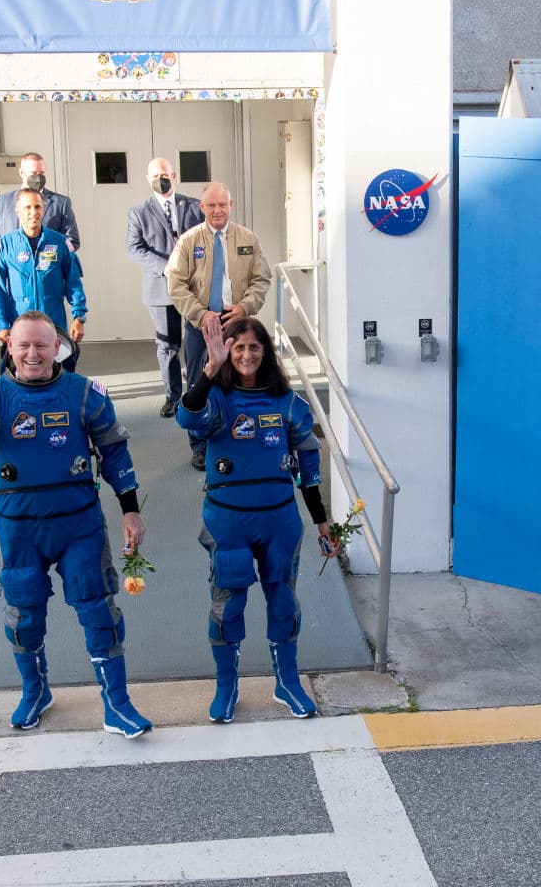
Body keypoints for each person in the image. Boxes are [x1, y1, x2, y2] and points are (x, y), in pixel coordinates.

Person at [0, 311, 152, 739]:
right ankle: (35, 690)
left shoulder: (84, 394)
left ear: (56, 348)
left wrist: (130, 508)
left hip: (79, 525)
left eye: (41, 345)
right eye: (23, 345)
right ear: (10, 348)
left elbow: (115, 451)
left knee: (98, 609)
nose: (32, 354)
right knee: (23, 615)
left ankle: (117, 703)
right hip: (19, 530)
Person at [176, 316, 337, 725]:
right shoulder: (217, 398)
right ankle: (227, 685)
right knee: (227, 607)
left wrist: (321, 519)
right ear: (228, 352)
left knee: (283, 601)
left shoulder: (288, 403)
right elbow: (188, 417)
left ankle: (286, 681)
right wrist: (209, 369)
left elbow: (309, 464)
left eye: (254, 347)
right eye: (239, 347)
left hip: (280, 522)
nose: (246, 354)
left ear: (266, 354)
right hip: (227, 522)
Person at [166, 182, 271, 470]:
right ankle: (199, 445)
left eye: (222, 205)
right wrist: (200, 314)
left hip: (239, 323)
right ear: (202, 207)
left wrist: (245, 308)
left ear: (231, 205)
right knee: (201, 381)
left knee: (244, 378)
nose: (217, 211)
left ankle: (242, 433)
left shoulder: (248, 238)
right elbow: (175, 284)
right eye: (211, 205)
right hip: (201, 325)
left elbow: (261, 280)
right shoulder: (188, 241)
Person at [126, 157, 204, 419]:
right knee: (168, 345)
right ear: (148, 180)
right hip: (160, 287)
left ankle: (198, 392)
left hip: (195, 287)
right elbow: (134, 249)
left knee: (198, 342)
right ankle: (172, 396)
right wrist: (167, 266)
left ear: (174, 174)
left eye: (165, 174)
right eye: (155, 176)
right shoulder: (139, 212)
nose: (160, 179)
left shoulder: (194, 206)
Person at [0, 188, 86, 371]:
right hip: (19, 328)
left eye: (38, 207)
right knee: (18, 380)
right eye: (27, 207)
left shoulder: (60, 243)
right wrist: (2, 324)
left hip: (53, 327)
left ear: (44, 210)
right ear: (17, 211)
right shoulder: (5, 246)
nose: (33, 212)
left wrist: (79, 316)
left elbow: (74, 283)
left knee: (61, 376)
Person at [0, 152, 80, 254]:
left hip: (47, 267)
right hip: (13, 267)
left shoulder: (60, 203)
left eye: (42, 173)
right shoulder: (3, 201)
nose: (38, 178)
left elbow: (72, 240)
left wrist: (48, 258)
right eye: (33, 173)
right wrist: (2, 257)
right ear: (21, 172)